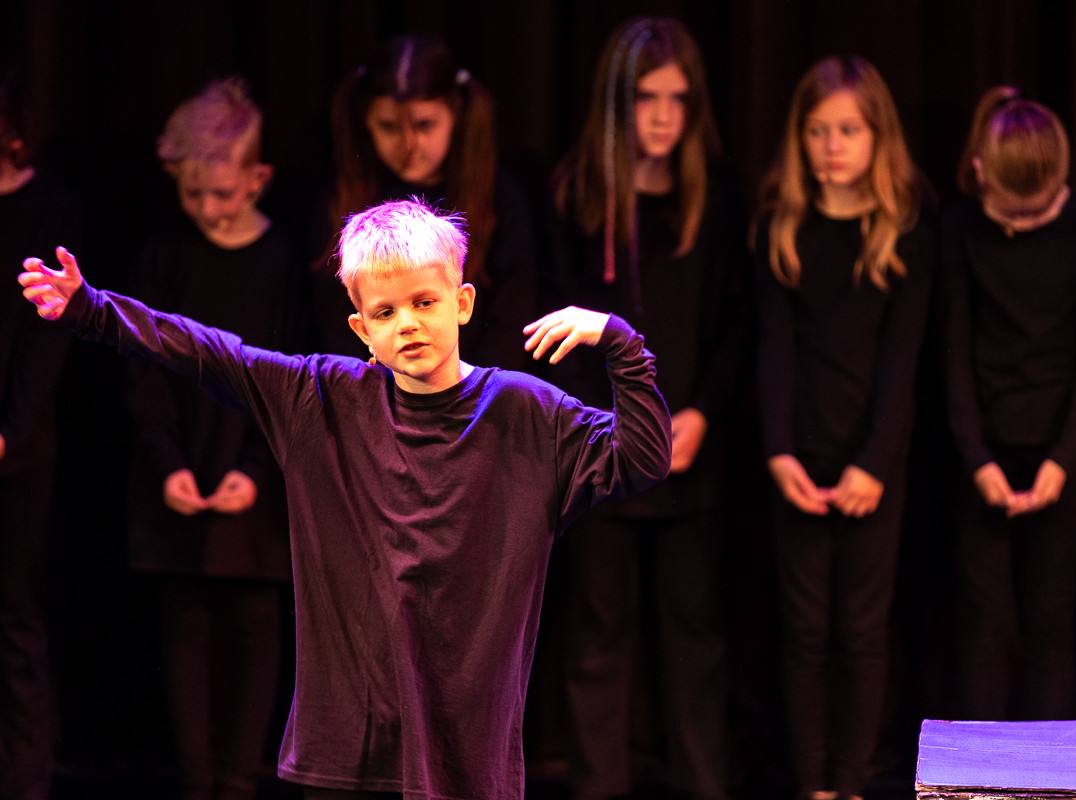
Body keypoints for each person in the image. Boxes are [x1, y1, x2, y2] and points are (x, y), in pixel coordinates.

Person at [18, 198, 671, 800]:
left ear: (462, 302)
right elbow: (210, 353)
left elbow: (643, 458)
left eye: (424, 302)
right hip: (346, 755)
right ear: (360, 327)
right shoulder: (322, 400)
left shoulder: (525, 412)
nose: (407, 324)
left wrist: (619, 342)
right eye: (385, 313)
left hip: (465, 757)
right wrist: (92, 309)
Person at [543, 17, 746, 800]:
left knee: (696, 632)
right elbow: (553, 332)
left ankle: (704, 785)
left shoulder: (715, 200)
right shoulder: (576, 197)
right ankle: (597, 786)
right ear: (617, 103)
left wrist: (700, 414)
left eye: (678, 99)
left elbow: (735, 325)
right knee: (598, 631)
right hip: (602, 453)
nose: (663, 117)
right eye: (646, 99)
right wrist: (613, 429)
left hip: (690, 448)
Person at [754, 56, 934, 800]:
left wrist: (875, 463)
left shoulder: (903, 230)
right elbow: (774, 348)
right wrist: (778, 452)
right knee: (803, 631)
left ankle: (851, 783)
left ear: (877, 136)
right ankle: (813, 786)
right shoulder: (780, 226)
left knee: (860, 630)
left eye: (849, 131)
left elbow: (902, 359)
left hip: (871, 461)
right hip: (799, 456)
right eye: (818, 131)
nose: (832, 146)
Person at [124, 78, 301, 800]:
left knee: (256, 618)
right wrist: (167, 462)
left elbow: (291, 373)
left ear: (258, 178)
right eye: (192, 193)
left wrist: (256, 470)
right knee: (186, 617)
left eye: (222, 193)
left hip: (255, 467)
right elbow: (142, 369)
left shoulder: (281, 261)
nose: (206, 208)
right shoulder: (165, 256)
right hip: (180, 460)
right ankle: (198, 780)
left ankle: (238, 779)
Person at [941, 87, 1076, 721]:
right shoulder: (961, 228)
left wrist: (1062, 461)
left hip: (1059, 452)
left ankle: (1052, 769)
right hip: (982, 451)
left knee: (1050, 619)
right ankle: (978, 769)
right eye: (1015, 208)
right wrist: (977, 461)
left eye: (1039, 207)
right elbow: (953, 353)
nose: (1027, 219)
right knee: (982, 623)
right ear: (981, 171)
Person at [311, 34, 536, 370]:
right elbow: (334, 319)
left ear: (455, 112)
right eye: (389, 127)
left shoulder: (499, 196)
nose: (409, 145)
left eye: (425, 125)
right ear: (367, 120)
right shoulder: (342, 199)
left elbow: (511, 317)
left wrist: (475, 392)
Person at [0, 69, 82, 800]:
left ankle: (26, 780)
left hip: (16, 450)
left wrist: (11, 434)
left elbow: (44, 339)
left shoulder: (49, 208)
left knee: (13, 615)